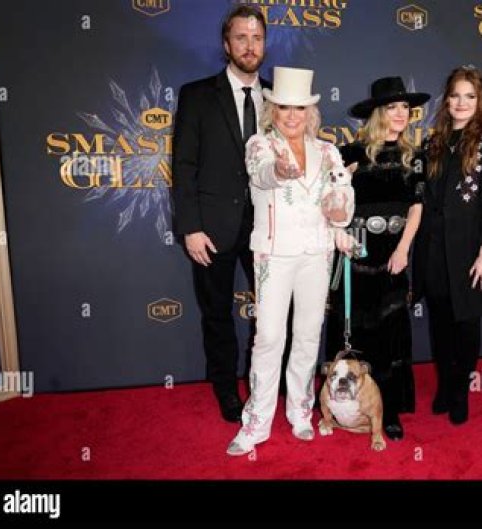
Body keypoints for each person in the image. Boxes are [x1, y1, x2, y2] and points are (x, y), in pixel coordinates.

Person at [227, 66, 355, 456]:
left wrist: (340, 213)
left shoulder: (328, 151)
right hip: (274, 254)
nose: (292, 116)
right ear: (273, 110)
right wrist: (280, 170)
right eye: (284, 107)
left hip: (317, 253)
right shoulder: (260, 145)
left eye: (300, 108)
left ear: (310, 112)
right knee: (268, 337)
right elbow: (261, 175)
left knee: (308, 335)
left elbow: (339, 205)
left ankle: (300, 411)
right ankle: (256, 422)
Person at [172, 5, 269, 423]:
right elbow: (184, 167)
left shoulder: (279, 98)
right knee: (217, 314)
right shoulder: (197, 95)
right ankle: (226, 389)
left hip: (269, 227)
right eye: (241, 38)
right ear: (226, 45)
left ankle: (265, 384)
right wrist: (190, 227)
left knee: (271, 313)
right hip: (212, 227)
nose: (250, 46)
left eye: (257, 38)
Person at [326, 77, 429, 440]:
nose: (400, 114)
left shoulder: (415, 156)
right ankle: (344, 406)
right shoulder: (348, 154)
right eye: (392, 107)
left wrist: (403, 249)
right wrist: (338, 232)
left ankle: (390, 410)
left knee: (391, 334)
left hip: (393, 257)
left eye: (405, 108)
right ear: (376, 113)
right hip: (354, 255)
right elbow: (332, 201)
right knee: (354, 331)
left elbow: (416, 208)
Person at [412, 66, 482, 425]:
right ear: (447, 100)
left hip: (469, 251)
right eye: (455, 95)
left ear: (479, 101)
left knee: (466, 326)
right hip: (433, 250)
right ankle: (444, 385)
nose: (461, 102)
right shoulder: (433, 143)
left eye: (470, 96)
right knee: (440, 324)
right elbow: (418, 194)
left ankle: (460, 390)